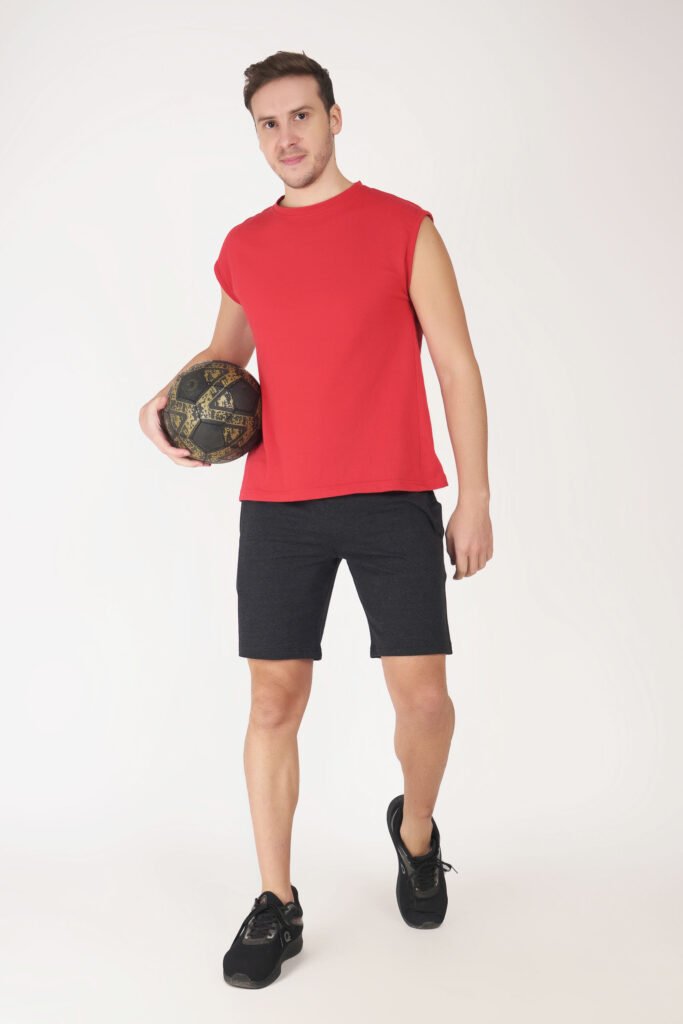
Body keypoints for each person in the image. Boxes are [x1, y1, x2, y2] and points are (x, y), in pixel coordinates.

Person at [139, 50, 493, 990]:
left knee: (423, 701)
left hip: (392, 497)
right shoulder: (246, 246)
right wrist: (159, 405)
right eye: (268, 123)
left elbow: (456, 364)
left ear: (335, 119)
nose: (286, 136)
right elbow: (222, 360)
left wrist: (475, 495)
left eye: (300, 116)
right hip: (279, 506)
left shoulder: (404, 227)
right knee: (271, 703)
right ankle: (276, 901)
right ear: (256, 135)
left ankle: (415, 832)